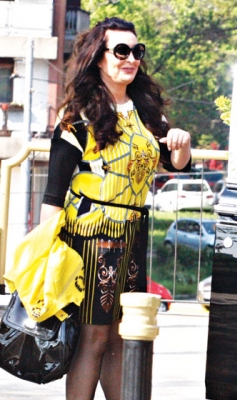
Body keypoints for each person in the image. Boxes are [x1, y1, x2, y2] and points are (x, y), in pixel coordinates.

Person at [40, 17, 191, 399]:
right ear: (99, 57)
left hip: (132, 236)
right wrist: (43, 258)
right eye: (121, 50)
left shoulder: (146, 111)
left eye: (137, 51)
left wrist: (181, 142)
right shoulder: (78, 116)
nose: (131, 58)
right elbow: (53, 194)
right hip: (91, 238)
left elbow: (176, 164)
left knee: (123, 336)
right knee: (93, 337)